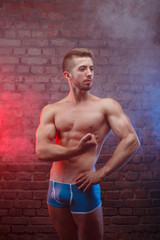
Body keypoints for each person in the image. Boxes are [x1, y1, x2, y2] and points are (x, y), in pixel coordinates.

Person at [35, 48, 140, 240]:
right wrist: (77, 150)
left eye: (91, 68)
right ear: (67, 75)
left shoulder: (105, 106)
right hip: (56, 188)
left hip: (84, 188)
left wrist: (102, 172)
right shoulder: (51, 110)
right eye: (83, 68)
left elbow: (132, 140)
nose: (89, 73)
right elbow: (41, 150)